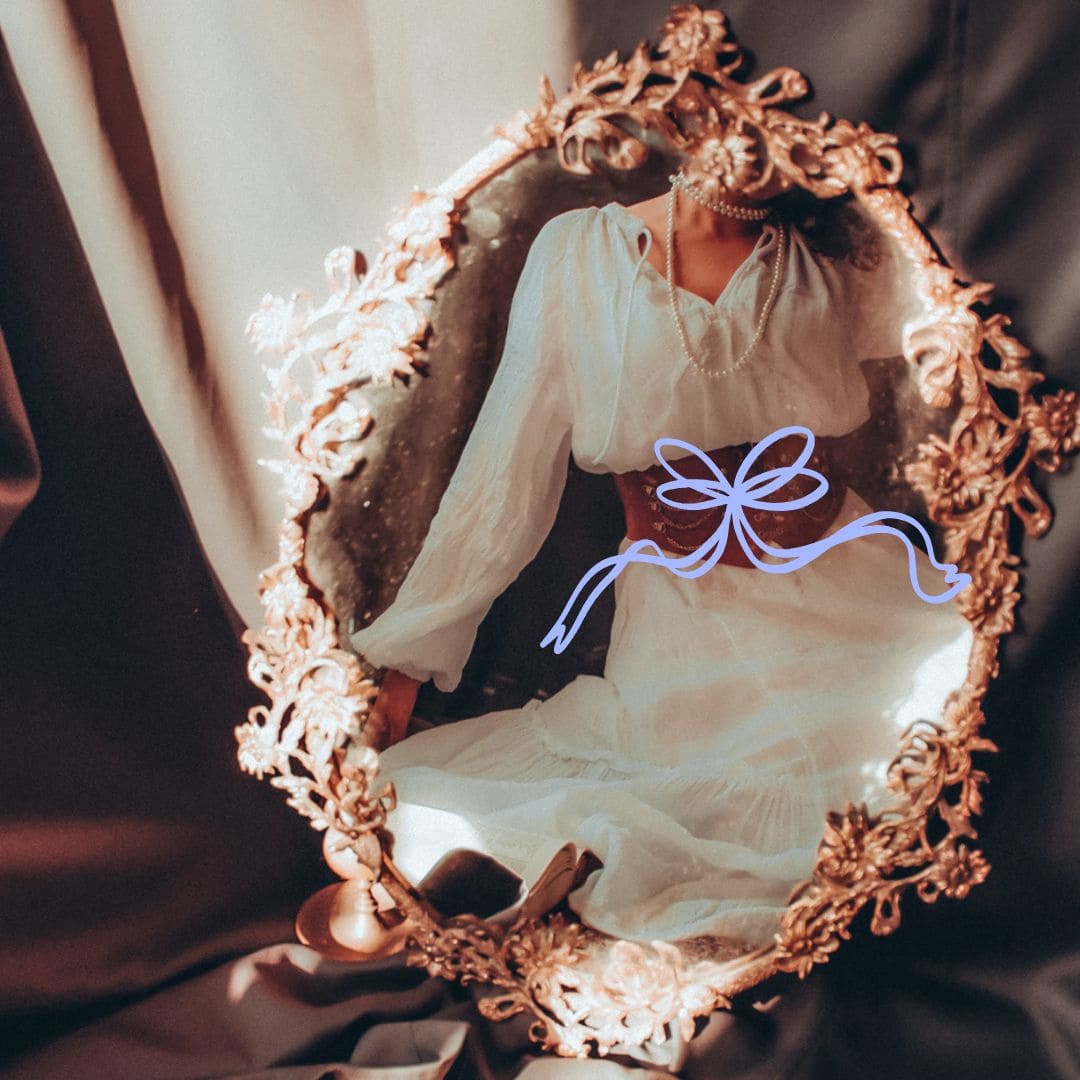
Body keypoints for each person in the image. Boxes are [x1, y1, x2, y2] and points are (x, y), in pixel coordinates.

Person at [348, 154, 974, 947]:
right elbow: (504, 469)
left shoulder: (840, 257)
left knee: (935, 762)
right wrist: (407, 664)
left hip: (854, 592)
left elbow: (968, 334)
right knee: (448, 800)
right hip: (684, 624)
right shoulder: (580, 253)